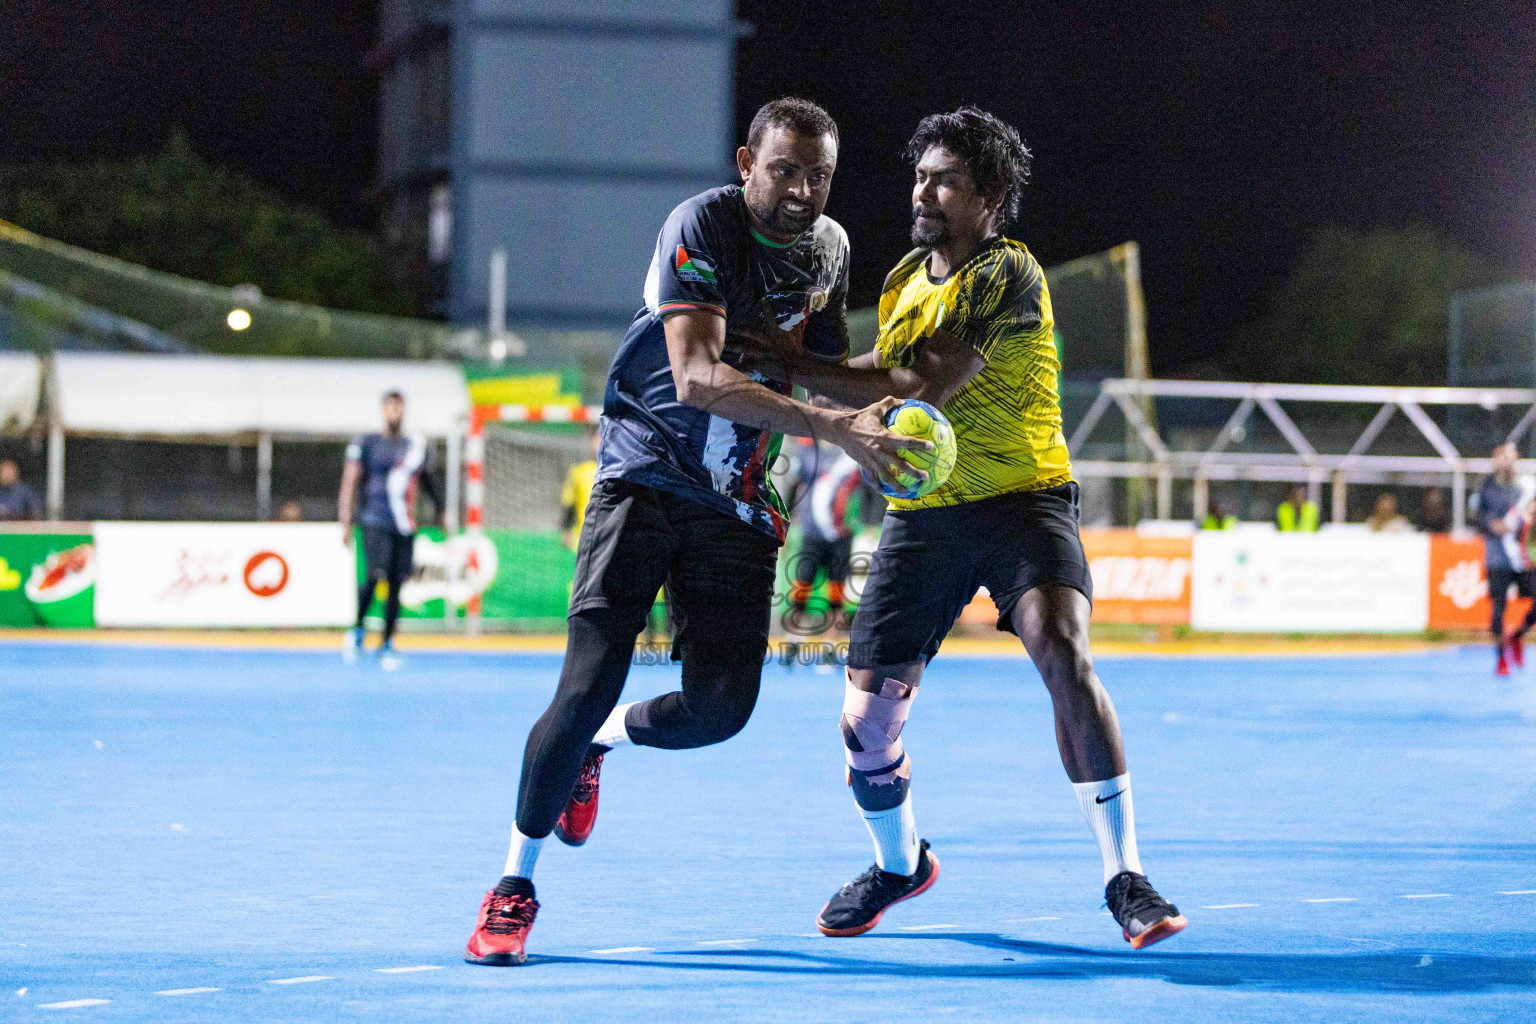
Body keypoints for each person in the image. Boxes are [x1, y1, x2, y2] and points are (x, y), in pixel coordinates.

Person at [463, 98, 927, 966]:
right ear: (746, 160)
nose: (801, 190)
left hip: (739, 501)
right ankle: (513, 887)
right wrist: (837, 429)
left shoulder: (828, 250)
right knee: (587, 680)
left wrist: (907, 391)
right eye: (785, 169)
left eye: (819, 175)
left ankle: (603, 744)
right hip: (644, 473)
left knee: (721, 711)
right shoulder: (701, 226)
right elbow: (698, 377)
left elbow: (814, 369)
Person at [743, 107, 1185, 949]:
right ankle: (901, 863)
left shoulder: (1008, 272)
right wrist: (786, 361)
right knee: (865, 728)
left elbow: (924, 382)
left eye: (944, 179)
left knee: (1063, 646)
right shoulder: (909, 276)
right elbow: (880, 361)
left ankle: (1126, 877)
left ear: (989, 195)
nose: (923, 190)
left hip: (1024, 500)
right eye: (920, 176)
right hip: (924, 516)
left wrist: (792, 365)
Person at [337, 391, 444, 669]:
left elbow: (429, 482)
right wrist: (345, 519)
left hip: (404, 524)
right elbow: (350, 481)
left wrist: (441, 512)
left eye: (399, 407)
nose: (395, 412)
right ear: (383, 410)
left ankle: (387, 642)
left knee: (397, 582)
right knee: (375, 576)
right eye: (390, 407)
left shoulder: (415, 446)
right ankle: (358, 629)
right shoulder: (367, 443)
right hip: (374, 519)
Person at [785, 437, 866, 637]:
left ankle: (831, 643)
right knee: (803, 581)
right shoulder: (807, 451)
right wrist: (784, 518)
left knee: (837, 588)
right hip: (812, 531)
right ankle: (794, 638)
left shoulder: (851, 455)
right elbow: (794, 487)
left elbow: (866, 491)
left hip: (841, 533)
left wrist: (868, 520)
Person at [1470, 443, 1536, 675]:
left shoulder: (1525, 487)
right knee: (1498, 608)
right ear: (1495, 460)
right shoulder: (1485, 488)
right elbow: (1475, 516)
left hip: (1523, 557)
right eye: (1502, 457)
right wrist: (1490, 524)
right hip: (1497, 558)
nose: (1507, 461)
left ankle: (1517, 635)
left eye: (1510, 456)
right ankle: (1501, 657)